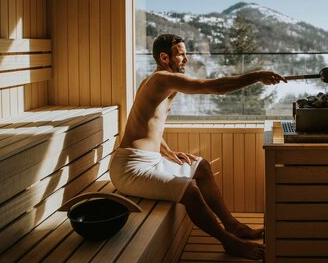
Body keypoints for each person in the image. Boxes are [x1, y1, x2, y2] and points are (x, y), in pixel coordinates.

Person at [109, 34, 287, 260]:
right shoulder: (161, 79)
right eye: (181, 54)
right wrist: (257, 76)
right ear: (164, 57)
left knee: (201, 166)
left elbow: (146, 124)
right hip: (130, 169)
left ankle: (232, 225)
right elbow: (215, 86)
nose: (186, 58)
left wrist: (167, 151)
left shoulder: (154, 80)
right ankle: (228, 241)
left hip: (149, 160)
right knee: (190, 190)